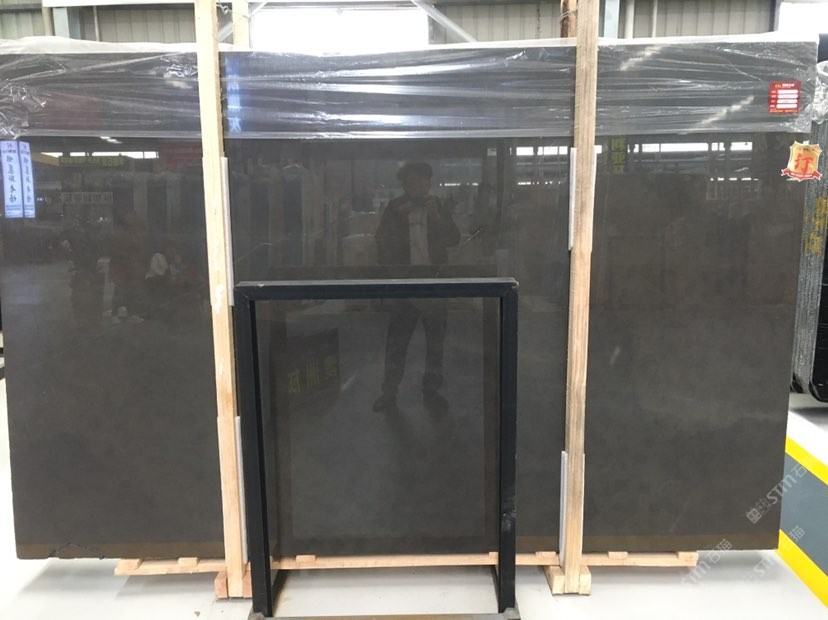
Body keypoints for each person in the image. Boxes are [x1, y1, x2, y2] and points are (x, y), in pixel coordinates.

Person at [373, 162, 461, 414]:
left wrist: (436, 217)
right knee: (397, 341)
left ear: (430, 183)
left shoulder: (438, 206)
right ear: (404, 185)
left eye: (424, 181)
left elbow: (454, 239)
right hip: (405, 282)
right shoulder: (395, 208)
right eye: (413, 182)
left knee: (435, 341)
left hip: (434, 282)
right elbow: (381, 243)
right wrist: (399, 221)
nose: (420, 187)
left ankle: (431, 391)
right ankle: (389, 392)